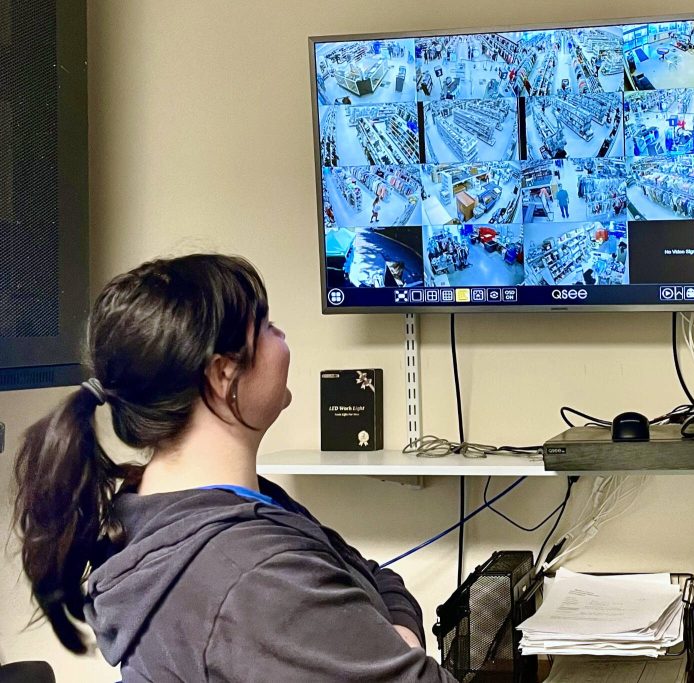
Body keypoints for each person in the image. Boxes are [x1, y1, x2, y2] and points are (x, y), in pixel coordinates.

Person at [12, 254, 456, 683]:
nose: (282, 337)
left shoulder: (193, 506)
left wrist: (394, 640)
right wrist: (397, 645)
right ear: (224, 374)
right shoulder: (254, 579)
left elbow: (373, 576)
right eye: (266, 327)